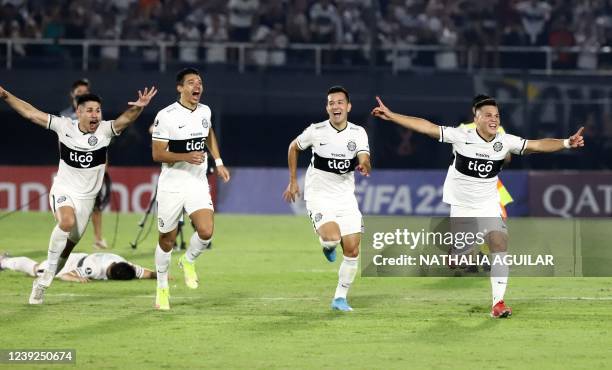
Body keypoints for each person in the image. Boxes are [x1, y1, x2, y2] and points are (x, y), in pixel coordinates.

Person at [371, 94, 584, 318]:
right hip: (462, 206)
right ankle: (456, 253)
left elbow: (537, 145)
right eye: (488, 115)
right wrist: (393, 116)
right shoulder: (461, 136)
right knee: (461, 261)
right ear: (477, 118)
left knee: (500, 244)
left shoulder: (505, 141)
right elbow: (427, 127)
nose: (494, 119)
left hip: (488, 203)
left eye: (497, 116)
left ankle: (498, 303)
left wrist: (567, 143)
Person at [0, 84, 157, 305]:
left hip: (86, 200)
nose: (95, 115)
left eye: (98, 110)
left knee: (65, 253)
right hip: (64, 190)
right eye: (90, 110)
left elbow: (125, 119)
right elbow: (31, 113)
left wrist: (139, 107)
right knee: (65, 221)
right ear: (79, 112)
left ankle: (46, 277)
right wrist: (6, 95)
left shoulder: (104, 130)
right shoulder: (64, 126)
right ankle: (43, 282)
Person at [283, 86, 371, 312]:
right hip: (319, 195)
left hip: (345, 197)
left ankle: (340, 298)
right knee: (332, 239)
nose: (336, 106)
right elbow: (294, 147)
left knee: (352, 250)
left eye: (340, 102)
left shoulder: (358, 133)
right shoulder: (316, 130)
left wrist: (363, 165)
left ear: (348, 107)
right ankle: (327, 245)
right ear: (327, 108)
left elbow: (364, 156)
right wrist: (293, 181)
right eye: (331, 103)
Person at [151, 67, 230, 310]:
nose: (197, 86)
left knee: (206, 231)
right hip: (172, 184)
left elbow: (208, 133)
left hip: (197, 182)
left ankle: (188, 260)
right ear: (180, 88)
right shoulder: (166, 116)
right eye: (191, 82)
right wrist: (186, 155)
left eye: (199, 82)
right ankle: (162, 288)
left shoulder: (205, 110)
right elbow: (157, 154)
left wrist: (218, 162)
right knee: (167, 240)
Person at [60, 78, 111, 249]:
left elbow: (102, 142)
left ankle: (98, 237)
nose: (82, 93)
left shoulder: (95, 115)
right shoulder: (65, 116)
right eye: (79, 92)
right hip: (72, 168)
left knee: (95, 203)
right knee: (70, 205)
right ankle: (66, 234)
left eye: (85, 91)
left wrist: (104, 166)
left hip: (93, 167)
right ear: (72, 94)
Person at [0, 251, 155, 281]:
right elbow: (66, 275)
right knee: (36, 269)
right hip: (70, 264)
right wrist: (76, 279)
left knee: (36, 269)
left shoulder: (123, 263)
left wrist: (158, 275)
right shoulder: (94, 269)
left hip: (80, 256)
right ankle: (3, 262)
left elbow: (141, 272)